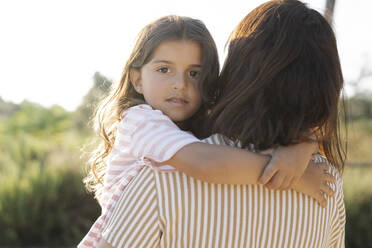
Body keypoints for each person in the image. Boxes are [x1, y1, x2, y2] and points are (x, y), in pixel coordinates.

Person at [95, 0, 346, 247]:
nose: (180, 85)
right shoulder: (327, 184)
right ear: (136, 79)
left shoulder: (160, 179)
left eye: (194, 74)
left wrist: (302, 147)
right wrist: (291, 173)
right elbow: (205, 162)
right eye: (164, 70)